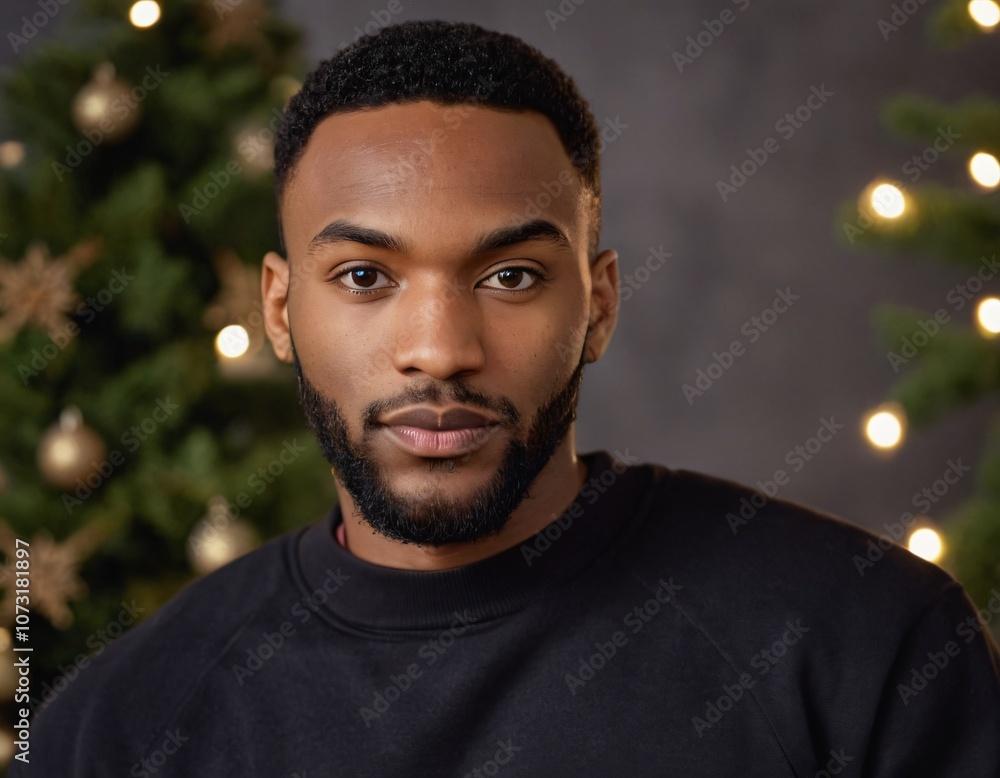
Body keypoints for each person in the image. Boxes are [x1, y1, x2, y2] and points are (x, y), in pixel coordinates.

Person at [17, 20, 1000, 778]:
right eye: (365, 276)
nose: (439, 351)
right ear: (279, 310)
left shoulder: (862, 645)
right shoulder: (121, 726)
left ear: (599, 303)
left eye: (510, 277)